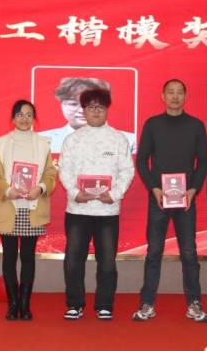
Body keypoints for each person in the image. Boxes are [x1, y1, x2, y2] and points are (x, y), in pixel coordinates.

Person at [132, 79, 207, 322]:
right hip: (159, 199)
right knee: (154, 252)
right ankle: (147, 303)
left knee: (189, 253)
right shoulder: (153, 124)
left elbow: (203, 161)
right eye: (170, 92)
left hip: (186, 200)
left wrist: (194, 189)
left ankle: (194, 304)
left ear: (185, 96)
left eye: (179, 93)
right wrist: (154, 188)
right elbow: (141, 160)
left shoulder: (196, 125)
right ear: (163, 96)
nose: (175, 97)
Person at [59, 87, 134, 321]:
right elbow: (64, 170)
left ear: (107, 109)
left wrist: (115, 194)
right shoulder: (72, 139)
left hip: (107, 211)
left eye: (100, 107)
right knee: (73, 260)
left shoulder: (118, 138)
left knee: (108, 262)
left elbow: (127, 171)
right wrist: (74, 193)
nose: (95, 111)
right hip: (77, 209)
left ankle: (104, 304)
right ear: (84, 110)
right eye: (90, 107)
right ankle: (75, 304)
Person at [0, 99, 57, 321]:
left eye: (29, 115)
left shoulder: (43, 144)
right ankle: (12, 304)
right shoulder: (0, 144)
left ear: (34, 118)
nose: (24, 119)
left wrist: (40, 188)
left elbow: (50, 174)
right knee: (8, 257)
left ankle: (25, 305)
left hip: (32, 208)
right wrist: (7, 190)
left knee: (27, 257)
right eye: (20, 115)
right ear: (12, 118)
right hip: (9, 207)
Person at [38, 76, 136, 153]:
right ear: (61, 104)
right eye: (73, 104)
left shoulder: (129, 140)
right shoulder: (42, 139)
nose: (82, 110)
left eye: (90, 104)